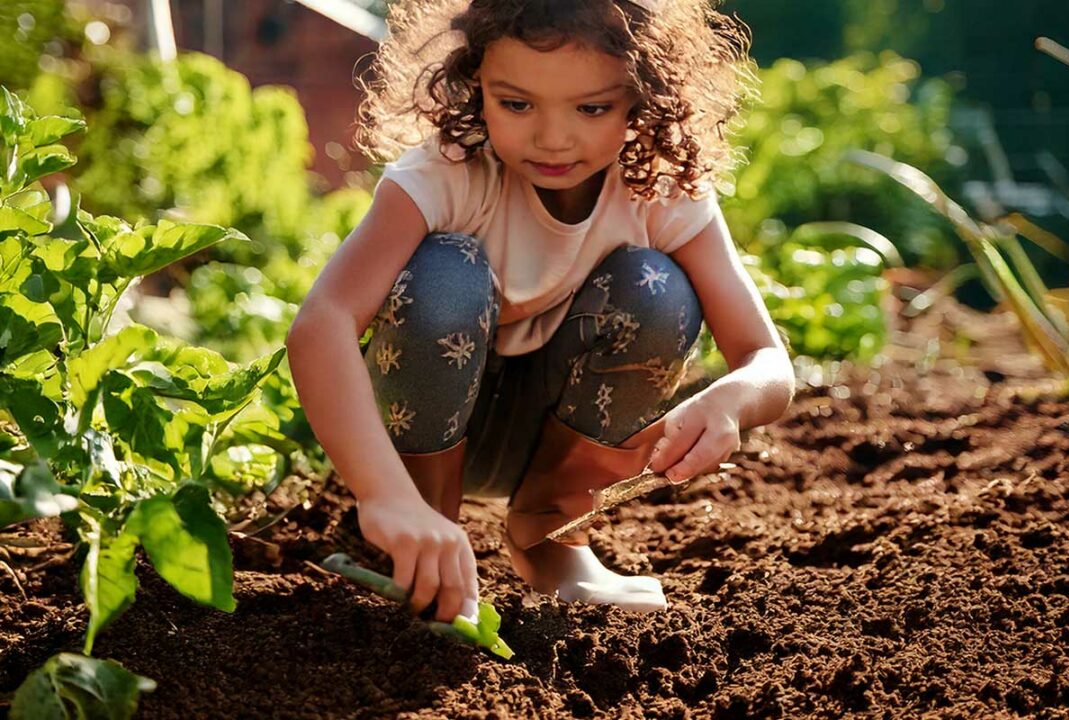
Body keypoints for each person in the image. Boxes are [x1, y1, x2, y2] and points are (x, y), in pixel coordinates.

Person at [286, 0, 794, 624]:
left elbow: (767, 360)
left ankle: (550, 540)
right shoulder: (447, 175)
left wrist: (732, 401)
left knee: (658, 287)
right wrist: (382, 494)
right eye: (517, 104)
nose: (553, 138)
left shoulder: (656, 190)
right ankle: (422, 535)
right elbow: (322, 323)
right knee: (446, 272)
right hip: (417, 436)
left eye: (591, 108)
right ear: (474, 86)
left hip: (546, 444)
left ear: (643, 98)